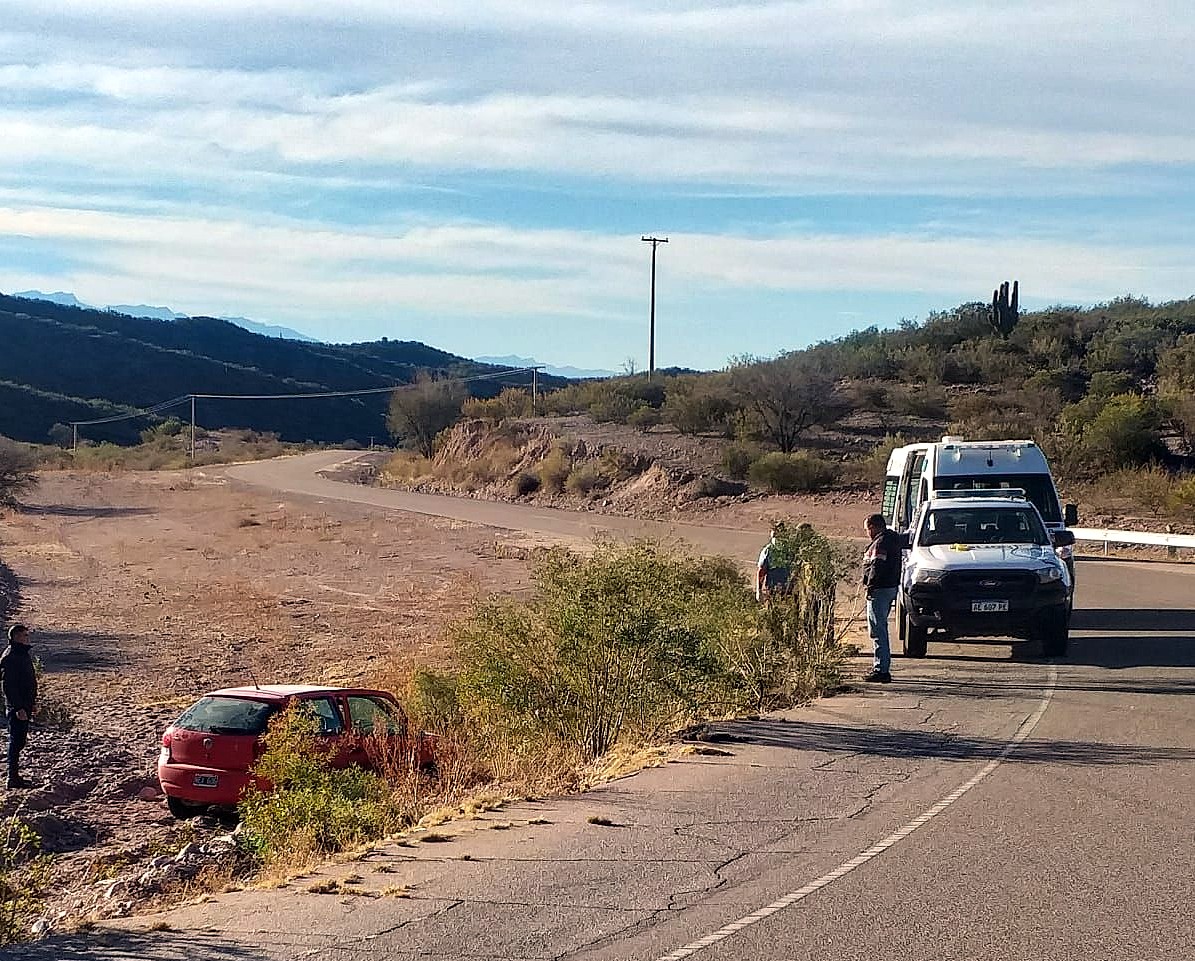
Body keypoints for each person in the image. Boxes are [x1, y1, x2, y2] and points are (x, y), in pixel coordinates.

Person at [862, 513, 902, 683]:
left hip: (879, 590)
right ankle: (881, 667)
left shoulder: (881, 542)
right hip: (889, 587)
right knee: (879, 628)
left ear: (873, 526)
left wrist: (870, 586)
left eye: (867, 529)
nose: (867, 533)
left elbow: (877, 567)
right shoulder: (891, 539)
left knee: (878, 630)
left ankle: (881, 669)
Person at [0, 624, 37, 788]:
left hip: (25, 705)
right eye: (24, 635)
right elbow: (9, 686)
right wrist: (18, 708)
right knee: (16, 741)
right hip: (17, 708)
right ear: (15, 637)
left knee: (19, 741)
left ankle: (14, 776)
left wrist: (31, 704)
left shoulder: (21, 653)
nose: (26, 638)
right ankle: (12, 778)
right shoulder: (11, 656)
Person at [756, 522, 791, 601]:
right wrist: (759, 590)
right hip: (773, 589)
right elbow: (761, 571)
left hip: (790, 589)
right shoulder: (768, 550)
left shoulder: (790, 549)